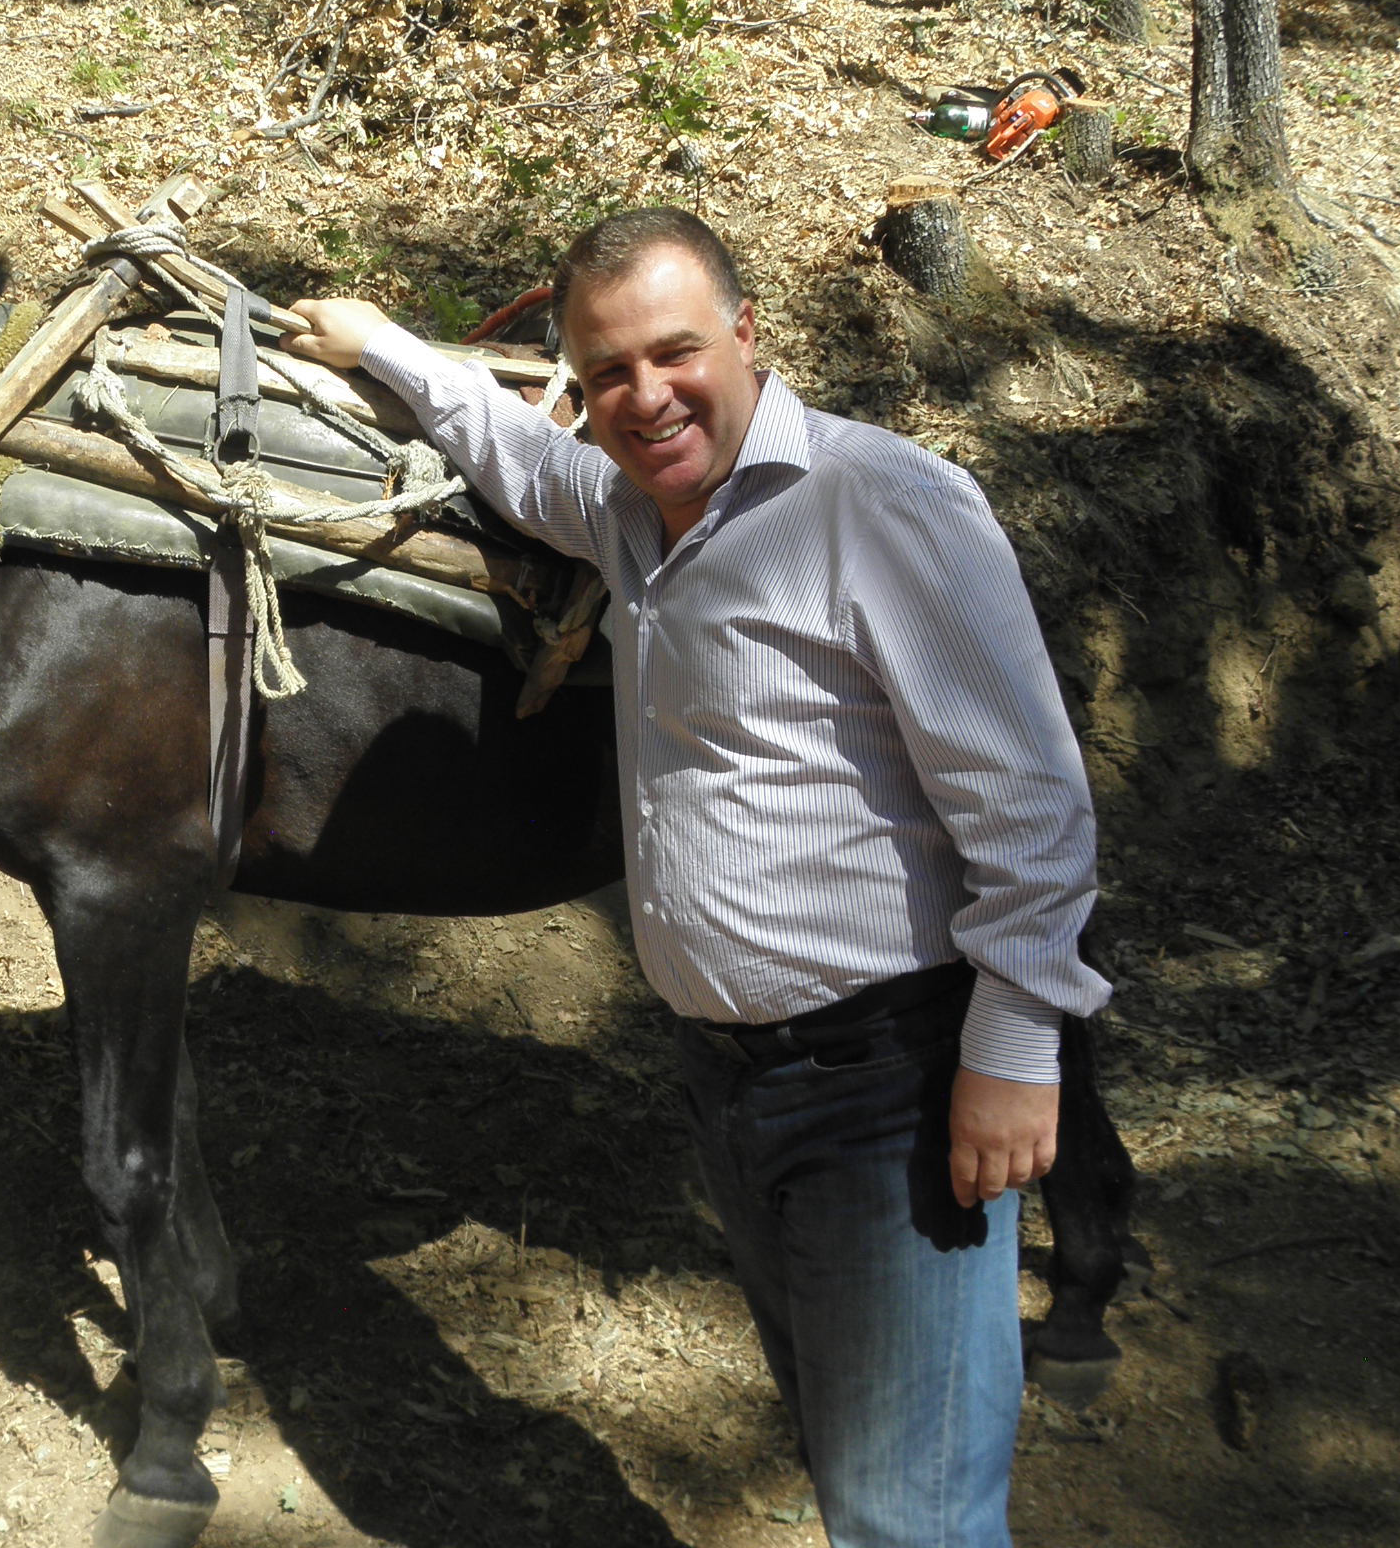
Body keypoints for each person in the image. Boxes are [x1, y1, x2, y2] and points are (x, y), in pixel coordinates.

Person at [281, 209, 1110, 1548]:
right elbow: (518, 463)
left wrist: (1015, 1047)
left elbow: (1030, 806)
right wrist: (386, 346)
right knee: (853, 1465)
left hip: (886, 1088)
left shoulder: (883, 506)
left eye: (674, 353)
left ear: (746, 333)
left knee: (913, 1520)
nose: (644, 395)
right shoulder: (632, 511)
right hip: (732, 1086)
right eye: (607, 371)